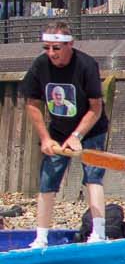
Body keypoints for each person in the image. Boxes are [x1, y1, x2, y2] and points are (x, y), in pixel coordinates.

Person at [20, 22, 110, 247]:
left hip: (90, 129)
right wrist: (45, 138)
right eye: (47, 48)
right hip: (58, 130)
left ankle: (98, 234)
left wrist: (77, 135)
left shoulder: (86, 65)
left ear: (70, 45)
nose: (51, 53)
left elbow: (95, 107)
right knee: (47, 179)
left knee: (93, 177)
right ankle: (41, 237)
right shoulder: (40, 65)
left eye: (56, 48)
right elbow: (32, 103)